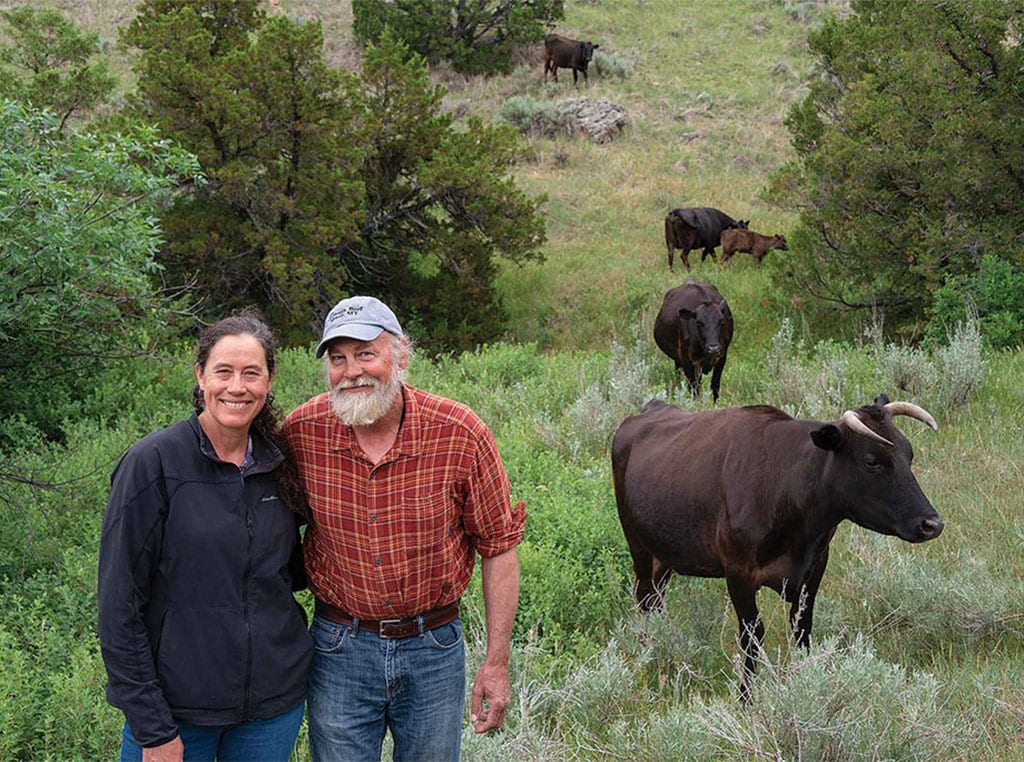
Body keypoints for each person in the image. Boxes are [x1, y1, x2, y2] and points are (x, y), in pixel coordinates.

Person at [283, 295, 526, 762]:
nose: (351, 371)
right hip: (339, 647)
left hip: (433, 647)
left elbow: (499, 546)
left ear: (400, 355)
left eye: (366, 354)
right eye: (338, 359)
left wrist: (496, 663)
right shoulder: (303, 431)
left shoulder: (460, 432)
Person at [98, 313, 314, 762]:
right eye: (224, 371)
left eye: (251, 373)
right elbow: (119, 606)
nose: (237, 386)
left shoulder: (281, 464)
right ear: (201, 376)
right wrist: (152, 729)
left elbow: (289, 575)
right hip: (177, 715)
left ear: (269, 380)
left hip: (271, 712)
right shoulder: (153, 463)